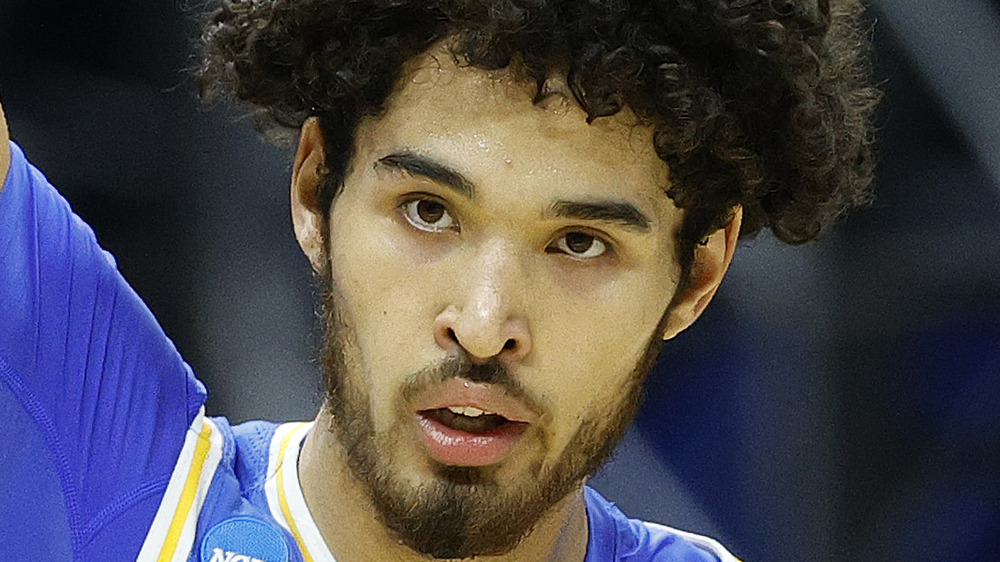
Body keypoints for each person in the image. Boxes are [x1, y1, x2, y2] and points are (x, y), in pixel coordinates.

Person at [0, 1, 878, 560]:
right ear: (315, 193)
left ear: (698, 273)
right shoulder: (126, 483)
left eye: (578, 242)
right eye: (428, 212)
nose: (485, 322)